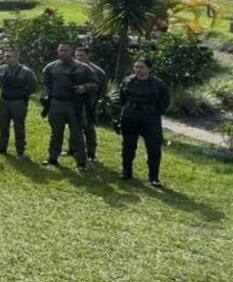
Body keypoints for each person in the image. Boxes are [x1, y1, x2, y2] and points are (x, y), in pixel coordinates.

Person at [118, 57, 171, 187]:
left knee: (153, 148)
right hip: (131, 116)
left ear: (149, 69)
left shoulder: (158, 84)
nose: (138, 70)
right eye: (136, 67)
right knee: (128, 146)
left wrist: (154, 112)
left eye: (141, 67)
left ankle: (153, 177)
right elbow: (122, 98)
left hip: (150, 118)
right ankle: (126, 171)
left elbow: (165, 101)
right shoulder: (128, 81)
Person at [42, 42, 91, 170]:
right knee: (56, 133)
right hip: (57, 103)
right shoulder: (51, 67)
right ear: (58, 51)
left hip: (75, 104)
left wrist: (84, 87)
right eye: (61, 50)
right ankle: (52, 158)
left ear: (72, 51)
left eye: (66, 50)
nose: (63, 52)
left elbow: (95, 83)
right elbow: (46, 82)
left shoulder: (83, 68)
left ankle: (81, 162)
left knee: (77, 134)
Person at [0, 48, 37, 156]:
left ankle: (20, 149)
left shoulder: (26, 72)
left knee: (19, 126)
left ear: (16, 58)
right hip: (4, 101)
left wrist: (22, 95)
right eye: (5, 56)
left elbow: (32, 86)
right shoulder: (1, 69)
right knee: (2, 125)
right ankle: (1, 147)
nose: (5, 58)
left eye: (9, 56)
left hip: (18, 103)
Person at [73, 45, 107, 162]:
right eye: (77, 55)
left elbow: (102, 90)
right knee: (74, 126)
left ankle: (91, 153)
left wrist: (99, 104)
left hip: (90, 103)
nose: (78, 58)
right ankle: (72, 149)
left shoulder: (98, 71)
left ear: (88, 56)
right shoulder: (74, 68)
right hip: (75, 102)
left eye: (81, 56)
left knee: (89, 128)